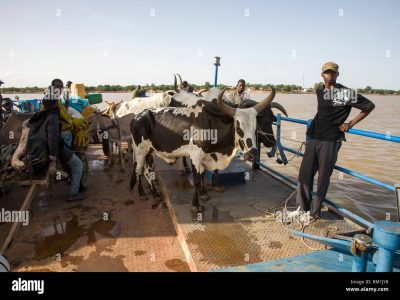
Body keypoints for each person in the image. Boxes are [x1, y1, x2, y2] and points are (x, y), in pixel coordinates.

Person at [295, 62, 375, 220]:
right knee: (304, 174)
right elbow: (321, 113)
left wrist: (350, 124)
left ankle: (315, 212)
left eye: (333, 72)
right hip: (314, 138)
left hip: (331, 140)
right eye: (327, 72)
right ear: (322, 75)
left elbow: (369, 106)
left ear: (337, 74)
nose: (329, 75)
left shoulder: (346, 93)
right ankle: (302, 209)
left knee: (323, 177)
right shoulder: (320, 91)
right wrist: (310, 134)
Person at [28, 90, 85, 201]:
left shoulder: (37, 115)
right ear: (55, 104)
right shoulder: (52, 116)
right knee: (78, 165)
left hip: (37, 149)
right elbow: (52, 137)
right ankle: (74, 193)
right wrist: (53, 154)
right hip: (51, 148)